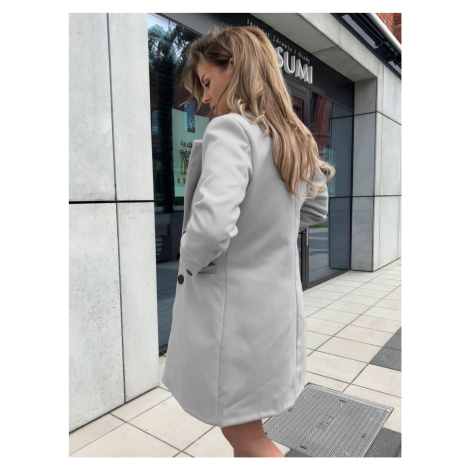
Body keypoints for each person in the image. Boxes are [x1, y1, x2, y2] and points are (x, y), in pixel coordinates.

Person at [161, 24, 335, 458]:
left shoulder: (230, 130)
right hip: (275, 312)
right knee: (246, 430)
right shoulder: (293, 136)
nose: (204, 98)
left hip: (232, 319)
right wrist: (267, 232)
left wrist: (190, 264)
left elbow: (210, 229)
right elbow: (315, 209)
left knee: (246, 436)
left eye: (207, 82)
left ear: (234, 67)